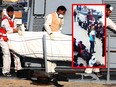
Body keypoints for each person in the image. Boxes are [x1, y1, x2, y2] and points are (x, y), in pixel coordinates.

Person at [44, 6, 67, 73]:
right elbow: (46, 25)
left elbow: (60, 27)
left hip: (56, 36)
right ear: (59, 10)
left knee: (55, 53)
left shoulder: (61, 17)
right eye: (63, 12)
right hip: (50, 35)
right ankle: (48, 70)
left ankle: (53, 69)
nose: (64, 14)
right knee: (49, 53)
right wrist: (50, 33)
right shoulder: (51, 15)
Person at [0, 6, 22, 76]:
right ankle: (5, 71)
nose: (11, 13)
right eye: (10, 12)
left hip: (10, 39)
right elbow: (8, 30)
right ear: (7, 12)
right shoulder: (4, 20)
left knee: (15, 53)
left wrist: (18, 29)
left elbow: (15, 26)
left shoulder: (13, 18)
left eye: (12, 12)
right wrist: (17, 30)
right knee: (6, 55)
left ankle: (18, 69)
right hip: (3, 39)